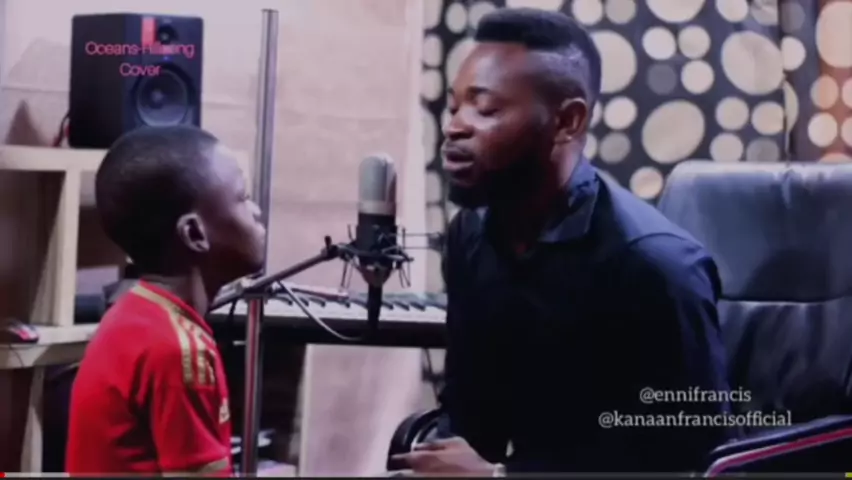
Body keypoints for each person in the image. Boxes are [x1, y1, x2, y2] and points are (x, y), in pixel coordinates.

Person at [392, 7, 734, 475]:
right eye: (455, 107)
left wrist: (501, 476)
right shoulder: (471, 235)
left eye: (486, 109)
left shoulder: (654, 266)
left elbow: (691, 462)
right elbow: (470, 412)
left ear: (567, 121)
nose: (455, 127)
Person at [66, 126, 265, 475]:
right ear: (194, 234)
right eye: (242, 197)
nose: (257, 211)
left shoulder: (132, 313)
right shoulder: (180, 350)